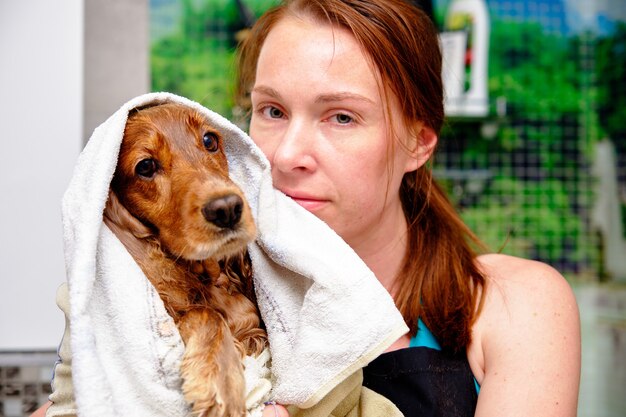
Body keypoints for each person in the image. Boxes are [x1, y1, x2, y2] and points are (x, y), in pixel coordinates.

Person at [33, 1, 580, 416]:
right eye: (270, 110)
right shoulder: (189, 299)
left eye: (340, 117)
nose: (287, 154)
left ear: (418, 141)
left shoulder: (513, 304)